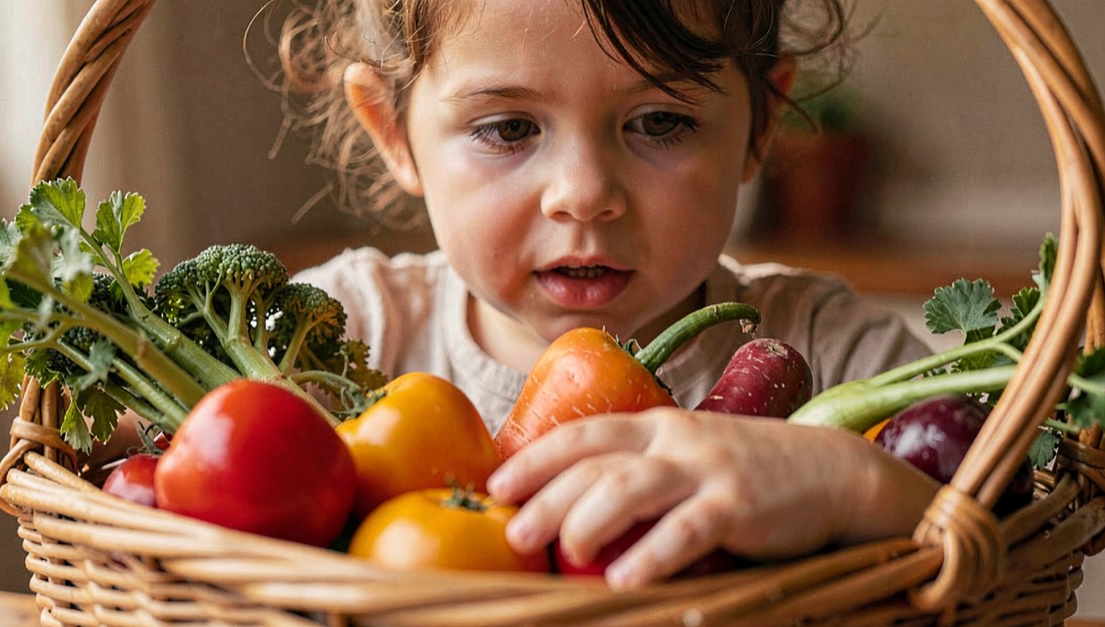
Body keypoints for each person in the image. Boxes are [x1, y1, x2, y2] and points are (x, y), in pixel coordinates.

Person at [278, 0, 940, 589]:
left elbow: (1006, 533)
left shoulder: (841, 354)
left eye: (658, 121)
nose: (584, 193)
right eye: (510, 129)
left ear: (760, 124)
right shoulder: (334, 339)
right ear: (393, 131)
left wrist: (847, 484)